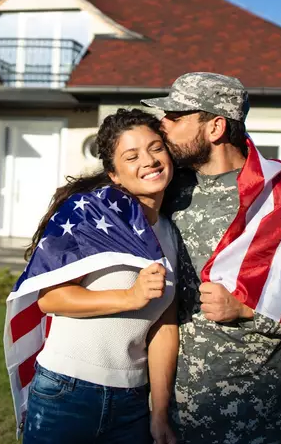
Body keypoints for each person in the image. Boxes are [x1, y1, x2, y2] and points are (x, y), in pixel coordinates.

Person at [142, 73, 281, 444]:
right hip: (176, 406)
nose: (162, 125)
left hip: (252, 414)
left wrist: (245, 309)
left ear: (215, 127)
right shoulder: (167, 186)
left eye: (176, 116)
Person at [21, 109, 178, 444]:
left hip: (134, 399)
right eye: (131, 156)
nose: (149, 161)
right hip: (67, 391)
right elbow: (50, 299)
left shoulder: (171, 234)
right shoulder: (92, 217)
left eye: (156, 148)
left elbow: (165, 324)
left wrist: (160, 411)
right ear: (114, 174)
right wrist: (129, 297)